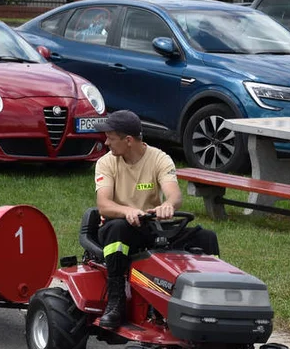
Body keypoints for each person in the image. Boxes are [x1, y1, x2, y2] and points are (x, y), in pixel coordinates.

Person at [93, 110, 218, 327]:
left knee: (205, 237)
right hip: (119, 226)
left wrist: (168, 205)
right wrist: (127, 211)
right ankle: (116, 301)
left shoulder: (160, 159)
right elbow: (103, 205)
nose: (106, 142)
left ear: (128, 140)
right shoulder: (106, 163)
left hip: (152, 227)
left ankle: (210, 302)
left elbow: (174, 194)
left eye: (111, 138)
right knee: (118, 230)